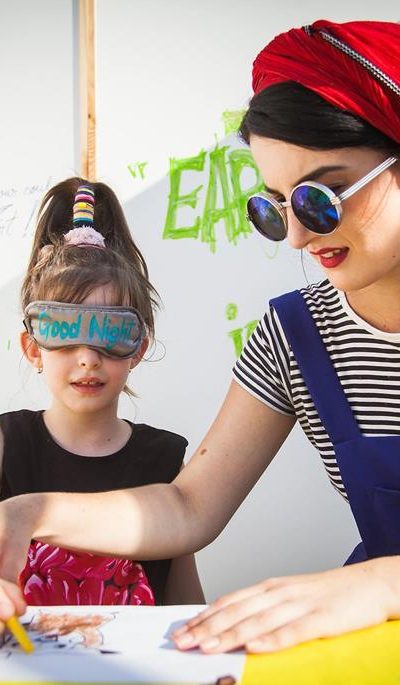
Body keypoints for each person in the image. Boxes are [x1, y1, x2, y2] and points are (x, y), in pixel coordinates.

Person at [1, 18, 400, 652]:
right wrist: (27, 514)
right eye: (277, 207)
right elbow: (189, 509)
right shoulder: (293, 337)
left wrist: (382, 583)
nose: (298, 238)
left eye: (322, 197)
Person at [0, 178, 204, 608]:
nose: (88, 358)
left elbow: (184, 605)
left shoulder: (164, 459)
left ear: (138, 348)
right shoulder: (6, 445)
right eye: (65, 332)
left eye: (110, 332)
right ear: (33, 348)